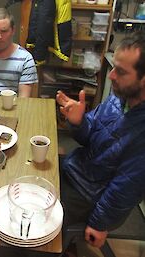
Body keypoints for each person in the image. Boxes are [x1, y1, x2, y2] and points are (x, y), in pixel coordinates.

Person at [56, 31, 145, 248]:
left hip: (88, 195)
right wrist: (79, 122)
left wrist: (99, 223)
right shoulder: (119, 97)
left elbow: (125, 188)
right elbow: (89, 137)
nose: (111, 76)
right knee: (26, 174)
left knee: (37, 222)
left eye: (121, 72)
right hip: (75, 169)